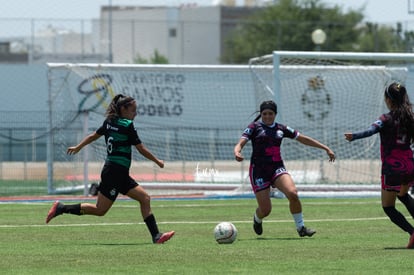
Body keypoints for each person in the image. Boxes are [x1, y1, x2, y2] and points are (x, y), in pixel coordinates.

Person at [45, 94, 175, 244]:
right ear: (123, 109)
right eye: (133, 110)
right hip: (115, 173)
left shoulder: (109, 122)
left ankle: (61, 208)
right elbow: (141, 149)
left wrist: (78, 147)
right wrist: (157, 161)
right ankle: (156, 236)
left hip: (114, 172)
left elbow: (93, 136)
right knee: (132, 202)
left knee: (115, 206)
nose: (136, 113)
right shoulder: (127, 125)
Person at [234, 100, 335, 237]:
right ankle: (257, 219)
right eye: (265, 114)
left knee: (292, 193)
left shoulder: (281, 129)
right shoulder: (254, 127)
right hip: (259, 171)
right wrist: (237, 152)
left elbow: (303, 139)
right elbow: (241, 142)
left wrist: (325, 148)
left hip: (277, 168)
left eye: (270, 113)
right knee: (266, 210)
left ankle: (301, 228)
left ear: (275, 114)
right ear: (261, 114)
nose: (267, 116)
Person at [345, 82, 414, 249]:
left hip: (392, 167)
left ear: (388, 99)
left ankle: (412, 233)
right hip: (409, 164)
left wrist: (354, 136)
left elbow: (370, 131)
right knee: (403, 195)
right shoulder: (410, 117)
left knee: (388, 207)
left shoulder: (386, 118)